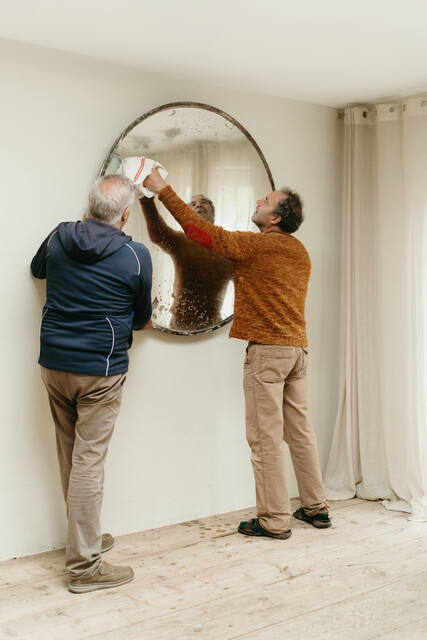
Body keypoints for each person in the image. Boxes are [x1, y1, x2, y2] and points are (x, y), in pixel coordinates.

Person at [143, 168, 331, 539]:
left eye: (266, 201)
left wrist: (161, 189)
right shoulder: (298, 251)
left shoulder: (257, 245)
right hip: (297, 352)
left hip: (269, 354)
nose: (258, 202)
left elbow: (202, 233)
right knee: (301, 433)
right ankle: (317, 508)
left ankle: (274, 520)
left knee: (265, 439)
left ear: (275, 217)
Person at [31, 174, 152, 592]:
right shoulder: (135, 255)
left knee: (71, 457)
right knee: (88, 463)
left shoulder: (59, 237)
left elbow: (37, 270)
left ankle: (87, 538)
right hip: (100, 371)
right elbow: (140, 317)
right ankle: (85, 567)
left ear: (88, 207)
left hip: (53, 363)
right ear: (125, 213)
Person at [139, 193, 232, 331]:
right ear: (187, 214)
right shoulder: (182, 241)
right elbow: (158, 234)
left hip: (215, 327)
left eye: (204, 202)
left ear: (213, 215)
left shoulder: (228, 248)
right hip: (181, 326)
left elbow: (247, 284)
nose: (198, 205)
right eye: (193, 204)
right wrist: (146, 200)